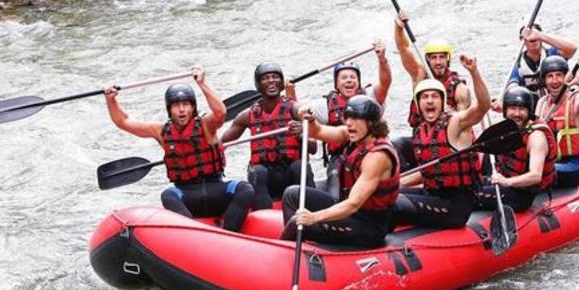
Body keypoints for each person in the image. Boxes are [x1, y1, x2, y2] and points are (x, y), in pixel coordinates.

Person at [103, 66, 254, 231]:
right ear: (170, 109)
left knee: (245, 189)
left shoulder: (206, 125)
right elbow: (124, 122)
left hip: (216, 189)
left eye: (185, 104)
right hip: (186, 195)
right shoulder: (161, 131)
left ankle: (228, 233)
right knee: (168, 194)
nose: (181, 109)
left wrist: (203, 84)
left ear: (192, 107)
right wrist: (111, 100)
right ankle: (193, 234)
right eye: (176, 106)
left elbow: (220, 112)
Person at [280, 95, 399, 249]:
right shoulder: (352, 134)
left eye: (356, 119)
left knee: (299, 222)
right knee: (292, 194)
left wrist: (313, 217)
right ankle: (296, 248)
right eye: (348, 118)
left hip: (368, 227)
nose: (349, 124)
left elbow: (353, 204)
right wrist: (310, 120)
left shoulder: (377, 157)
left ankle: (288, 252)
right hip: (349, 213)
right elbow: (319, 131)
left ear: (372, 123)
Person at [393, 54, 491, 229]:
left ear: (442, 101)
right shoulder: (421, 130)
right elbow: (431, 172)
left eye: (434, 96)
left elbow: (483, 106)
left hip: (455, 207)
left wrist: (474, 73)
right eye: (425, 97)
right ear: (418, 103)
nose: (430, 101)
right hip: (432, 194)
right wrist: (394, 184)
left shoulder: (455, 123)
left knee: (395, 202)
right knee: (384, 196)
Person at [290, 40, 391, 192]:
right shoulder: (325, 105)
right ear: (336, 84)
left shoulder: (371, 97)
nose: (349, 80)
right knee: (335, 190)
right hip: (340, 158)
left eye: (353, 77)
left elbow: (385, 82)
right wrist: (290, 90)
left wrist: (382, 60)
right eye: (344, 78)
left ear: (359, 81)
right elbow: (301, 114)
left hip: (370, 151)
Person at [221, 62, 315, 209]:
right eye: (266, 78)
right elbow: (221, 144)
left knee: (300, 166)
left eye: (275, 77)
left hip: (291, 174)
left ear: (282, 83)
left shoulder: (296, 110)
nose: (271, 80)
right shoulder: (247, 116)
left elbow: (313, 148)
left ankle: (310, 210)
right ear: (258, 85)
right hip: (266, 178)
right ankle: (263, 216)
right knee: (256, 171)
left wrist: (302, 133)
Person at [392, 10, 471, 170]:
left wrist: (451, 115)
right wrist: (399, 28)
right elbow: (403, 48)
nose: (438, 62)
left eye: (442, 57)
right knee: (396, 145)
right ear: (427, 59)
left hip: (444, 144)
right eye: (433, 58)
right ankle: (403, 183)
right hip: (420, 141)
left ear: (448, 59)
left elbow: (465, 124)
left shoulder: (459, 88)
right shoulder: (420, 75)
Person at [477, 86, 557, 212]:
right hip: (504, 182)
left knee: (470, 197)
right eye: (512, 109)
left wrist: (507, 182)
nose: (517, 114)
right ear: (505, 111)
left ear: (529, 111)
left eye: (522, 109)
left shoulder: (536, 137)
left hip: (521, 194)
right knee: (465, 187)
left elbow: (536, 176)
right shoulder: (511, 128)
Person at [535, 55, 579, 188]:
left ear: (566, 78)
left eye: (559, 75)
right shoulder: (542, 103)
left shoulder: (577, 100)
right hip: (548, 162)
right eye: (550, 76)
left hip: (573, 166)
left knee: (537, 172)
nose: (555, 80)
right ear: (544, 80)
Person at [492, 24, 579, 111]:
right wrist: (503, 103)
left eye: (535, 35)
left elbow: (572, 48)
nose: (533, 38)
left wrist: (541, 36)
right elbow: (512, 87)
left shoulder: (553, 54)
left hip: (560, 105)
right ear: (522, 39)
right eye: (529, 35)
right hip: (537, 112)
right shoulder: (518, 65)